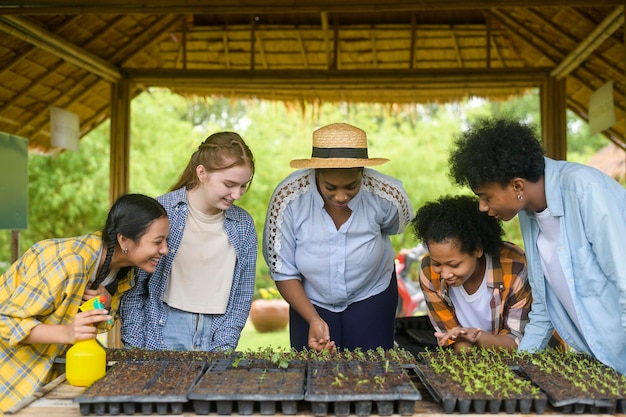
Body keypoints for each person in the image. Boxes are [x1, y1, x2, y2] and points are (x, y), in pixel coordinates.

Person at [448, 115, 626, 374]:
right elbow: (544, 305)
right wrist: (519, 370)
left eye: (486, 197)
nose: (482, 207)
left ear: (517, 185)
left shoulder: (587, 191)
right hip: (600, 359)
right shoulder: (529, 213)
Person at [0, 194, 169, 412]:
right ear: (124, 240)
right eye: (157, 242)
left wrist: (105, 304)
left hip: (50, 380)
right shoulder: (68, 263)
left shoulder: (124, 272)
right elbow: (5, 320)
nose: (165, 250)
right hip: (10, 381)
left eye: (166, 241)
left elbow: (97, 326)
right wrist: (66, 333)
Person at [263, 122, 414, 352]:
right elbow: (283, 270)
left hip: (372, 292)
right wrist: (313, 319)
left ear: (363, 172)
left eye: (351, 186)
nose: (341, 196)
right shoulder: (288, 199)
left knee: (372, 371)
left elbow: (395, 226)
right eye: (330, 187)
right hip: (310, 299)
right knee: (315, 371)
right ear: (316, 173)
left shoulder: (387, 195)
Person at [120, 132, 257, 352]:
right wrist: (134, 348)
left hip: (217, 333)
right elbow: (136, 288)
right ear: (202, 173)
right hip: (163, 330)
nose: (237, 194)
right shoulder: (162, 212)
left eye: (243, 185)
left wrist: (225, 343)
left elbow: (242, 294)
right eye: (229, 184)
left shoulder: (243, 225)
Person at [410, 194, 532, 351]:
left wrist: (477, 338)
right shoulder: (428, 272)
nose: (445, 274)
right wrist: (462, 340)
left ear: (477, 250)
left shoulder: (514, 268)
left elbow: (520, 344)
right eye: (437, 263)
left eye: (454, 265)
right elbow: (453, 340)